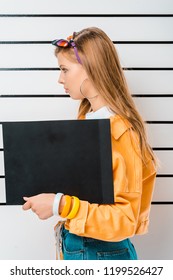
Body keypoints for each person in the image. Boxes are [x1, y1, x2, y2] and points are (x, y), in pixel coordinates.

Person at [22, 27, 157, 260]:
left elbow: (124, 220)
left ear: (91, 69)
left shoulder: (120, 133)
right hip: (82, 247)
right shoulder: (88, 124)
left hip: (101, 253)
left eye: (65, 69)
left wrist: (61, 205)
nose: (60, 79)